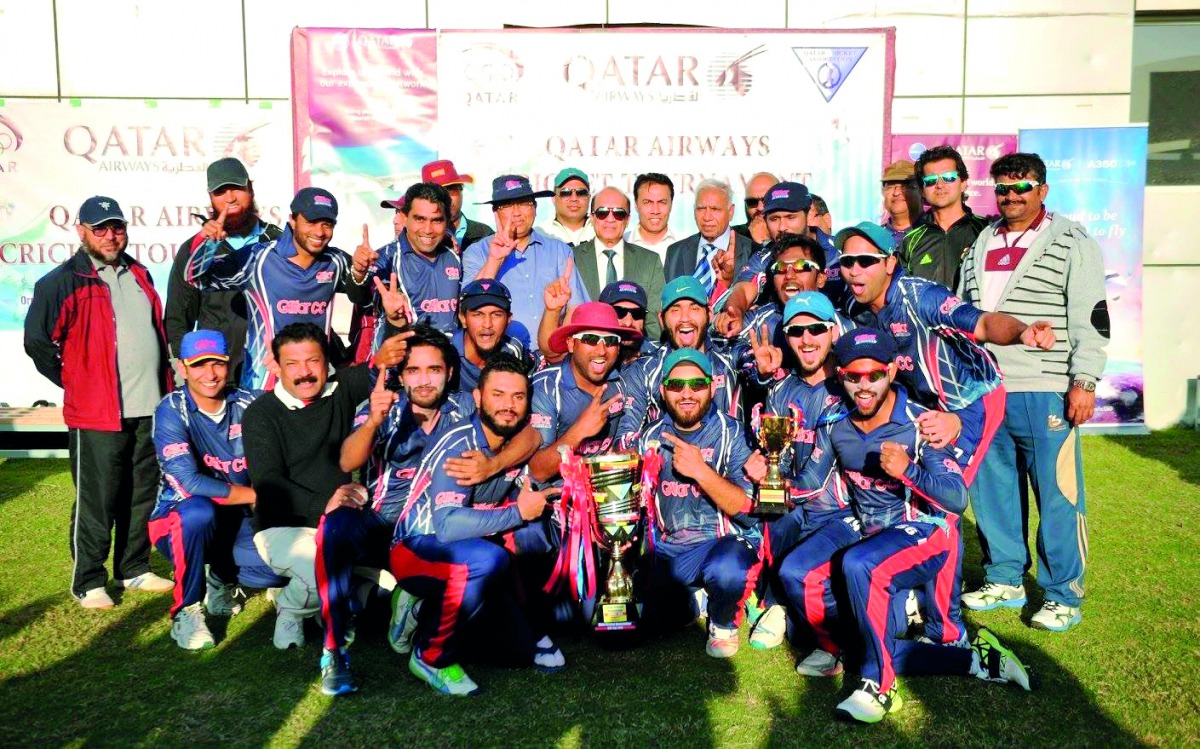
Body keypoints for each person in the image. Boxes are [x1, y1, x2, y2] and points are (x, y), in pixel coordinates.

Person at [797, 328, 1034, 723]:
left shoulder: (921, 423)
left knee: (860, 565)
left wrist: (909, 471)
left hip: (924, 532)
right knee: (866, 643)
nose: (863, 385)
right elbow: (809, 484)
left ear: (891, 370)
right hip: (873, 534)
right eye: (853, 377)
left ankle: (880, 687)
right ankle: (978, 661)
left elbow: (956, 498)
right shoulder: (836, 421)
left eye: (873, 374)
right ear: (841, 375)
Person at [957, 152, 1108, 632]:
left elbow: (1091, 315)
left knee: (1058, 494)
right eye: (1003, 188)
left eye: (1022, 187)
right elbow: (967, 316)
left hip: (1046, 387)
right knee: (994, 491)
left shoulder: (1070, 241)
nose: (1011, 196)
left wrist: (1083, 381)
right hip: (988, 387)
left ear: (1042, 189)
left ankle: (1064, 593)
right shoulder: (983, 240)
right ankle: (1005, 577)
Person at [25, 195, 174, 609]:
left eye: (117, 227)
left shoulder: (140, 273)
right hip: (97, 413)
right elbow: (37, 342)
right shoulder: (62, 281)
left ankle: (134, 569)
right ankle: (89, 580)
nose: (111, 236)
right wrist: (74, 381)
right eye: (101, 228)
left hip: (148, 407)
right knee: (98, 499)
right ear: (82, 231)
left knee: (141, 492)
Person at [390, 355, 566, 696]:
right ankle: (430, 656)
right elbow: (448, 527)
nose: (508, 406)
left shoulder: (514, 441)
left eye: (518, 397)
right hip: (417, 546)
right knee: (486, 559)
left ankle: (425, 608)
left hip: (474, 548)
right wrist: (519, 513)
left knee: (516, 653)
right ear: (477, 398)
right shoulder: (460, 447)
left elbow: (532, 437)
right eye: (498, 394)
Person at [838, 220, 1057, 484]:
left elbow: (983, 323)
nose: (854, 270)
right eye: (847, 261)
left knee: (946, 490)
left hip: (971, 399)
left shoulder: (922, 297)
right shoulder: (852, 306)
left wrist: (1022, 332)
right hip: (922, 406)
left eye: (865, 261)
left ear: (889, 264)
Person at [240, 323, 396, 650]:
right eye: (292, 364)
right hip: (283, 526)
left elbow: (380, 364)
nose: (304, 373)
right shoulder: (260, 414)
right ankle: (291, 608)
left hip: (336, 523)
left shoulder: (338, 389)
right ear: (278, 367)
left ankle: (341, 597)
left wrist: (394, 320)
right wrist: (325, 503)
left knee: (392, 583)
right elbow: (269, 485)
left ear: (326, 362)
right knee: (320, 574)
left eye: (312, 361)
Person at [148, 330, 280, 650]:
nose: (209, 374)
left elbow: (300, 410)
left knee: (277, 573)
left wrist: (285, 371)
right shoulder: (171, 408)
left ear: (229, 363)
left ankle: (219, 581)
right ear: (182, 368)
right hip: (176, 521)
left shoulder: (249, 401)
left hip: (236, 521)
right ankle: (186, 611)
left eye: (217, 364)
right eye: (198, 365)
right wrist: (255, 495)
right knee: (198, 511)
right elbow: (190, 482)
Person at [739, 293, 854, 651]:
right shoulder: (781, 388)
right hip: (799, 506)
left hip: (845, 513)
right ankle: (777, 603)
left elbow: (818, 481)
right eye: (796, 331)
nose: (806, 339)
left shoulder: (850, 387)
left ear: (832, 331)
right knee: (771, 514)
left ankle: (786, 605)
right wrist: (764, 470)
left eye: (816, 329)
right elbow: (781, 459)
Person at [636, 349, 761, 658]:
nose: (687, 393)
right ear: (664, 390)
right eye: (677, 385)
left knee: (728, 569)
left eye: (697, 384)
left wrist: (700, 472)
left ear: (712, 387)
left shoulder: (734, 433)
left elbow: (747, 512)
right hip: (669, 552)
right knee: (627, 626)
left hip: (720, 544)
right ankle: (694, 602)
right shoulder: (650, 437)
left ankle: (722, 621)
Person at [186, 186, 372, 391]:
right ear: (292, 220)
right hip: (264, 384)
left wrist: (360, 274)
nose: (319, 232)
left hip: (313, 383)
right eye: (311, 222)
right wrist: (207, 243)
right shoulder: (258, 258)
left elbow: (364, 299)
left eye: (326, 224)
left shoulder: (336, 260)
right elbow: (196, 279)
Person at [165, 157, 282, 380]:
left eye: (237, 188)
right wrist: (190, 371)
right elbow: (178, 319)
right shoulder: (195, 251)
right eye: (220, 192)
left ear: (251, 188)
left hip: (274, 374)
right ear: (210, 198)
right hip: (219, 376)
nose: (230, 198)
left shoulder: (279, 242)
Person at [463, 175, 590, 350]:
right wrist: (495, 259)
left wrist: (558, 352)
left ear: (535, 208)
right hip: (498, 358)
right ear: (495, 213)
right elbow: (467, 308)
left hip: (551, 357)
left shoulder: (560, 251)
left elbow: (576, 309)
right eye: (506, 205)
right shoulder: (477, 252)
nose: (517, 213)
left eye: (524, 203)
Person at [616, 277, 741, 444]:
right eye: (675, 310)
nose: (685, 318)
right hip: (664, 465)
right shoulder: (644, 370)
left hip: (728, 465)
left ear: (710, 314)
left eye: (694, 308)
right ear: (661, 319)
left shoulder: (730, 353)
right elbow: (625, 439)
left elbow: (759, 368)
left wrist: (766, 371)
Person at [528, 302, 641, 483]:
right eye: (590, 339)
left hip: (602, 496)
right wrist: (580, 431)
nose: (601, 350)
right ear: (572, 344)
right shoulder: (546, 387)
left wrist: (624, 455)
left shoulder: (620, 386)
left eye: (611, 341)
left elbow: (618, 446)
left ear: (619, 348)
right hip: (555, 502)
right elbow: (538, 471)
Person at [354, 182, 462, 339]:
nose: (427, 229)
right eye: (420, 219)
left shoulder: (455, 254)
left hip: (447, 358)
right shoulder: (388, 256)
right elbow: (359, 297)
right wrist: (358, 272)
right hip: (405, 358)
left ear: (447, 222)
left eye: (437, 220)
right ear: (405, 218)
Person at [716, 181, 816, 338]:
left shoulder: (837, 254)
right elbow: (743, 289)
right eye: (774, 219)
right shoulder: (765, 256)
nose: (782, 227)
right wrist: (734, 310)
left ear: (809, 215)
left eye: (791, 217)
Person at [571, 187, 664, 339]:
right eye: (602, 212)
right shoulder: (572, 258)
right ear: (592, 217)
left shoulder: (650, 261)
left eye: (618, 213)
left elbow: (653, 320)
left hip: (635, 353)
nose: (610, 218)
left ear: (627, 219)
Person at [896, 145, 991, 290]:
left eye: (948, 178)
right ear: (922, 190)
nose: (940, 185)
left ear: (964, 183)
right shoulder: (910, 240)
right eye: (931, 180)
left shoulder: (986, 230)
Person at [664, 179, 752, 307]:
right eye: (701, 209)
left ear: (731, 212)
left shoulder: (751, 251)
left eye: (715, 209)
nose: (707, 217)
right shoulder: (675, 252)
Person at [453, 279, 535, 394]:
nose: (487, 324)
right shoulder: (446, 352)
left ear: (508, 319)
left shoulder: (513, 351)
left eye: (496, 315)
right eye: (478, 314)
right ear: (463, 318)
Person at [419, 158, 493, 252]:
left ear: (461, 190)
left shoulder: (484, 233)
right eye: (438, 193)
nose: (447, 199)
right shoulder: (419, 239)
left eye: (451, 190)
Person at [599, 281, 660, 370]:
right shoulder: (589, 356)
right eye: (619, 312)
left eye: (637, 313)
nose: (628, 323)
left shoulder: (659, 356)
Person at [625, 172, 679, 262]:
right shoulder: (621, 243)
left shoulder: (686, 246)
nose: (655, 211)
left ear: (671, 204)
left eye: (662, 202)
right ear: (636, 205)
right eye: (647, 202)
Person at [539, 167, 595, 246]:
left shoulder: (602, 230)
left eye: (581, 193)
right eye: (565, 193)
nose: (574, 198)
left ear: (589, 197)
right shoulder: (540, 234)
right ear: (554, 198)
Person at [879, 160, 922, 247]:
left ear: (922, 191)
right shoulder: (874, 238)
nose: (896, 192)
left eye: (906, 186)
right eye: (890, 186)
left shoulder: (937, 234)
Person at [732, 172, 779, 250]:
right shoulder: (734, 236)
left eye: (766, 200)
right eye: (752, 202)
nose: (760, 208)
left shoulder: (794, 234)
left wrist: (765, 242)